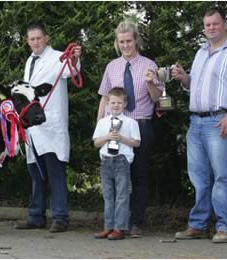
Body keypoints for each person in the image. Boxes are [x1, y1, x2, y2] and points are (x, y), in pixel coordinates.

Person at [172, 8, 227, 243]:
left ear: (225, 24)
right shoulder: (201, 52)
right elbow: (193, 85)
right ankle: (198, 225)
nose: (211, 28)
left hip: (220, 121)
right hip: (195, 121)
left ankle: (226, 227)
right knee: (199, 177)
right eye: (207, 25)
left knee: (222, 177)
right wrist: (184, 78)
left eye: (215, 24)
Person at [96, 19, 163, 238]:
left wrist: (152, 83)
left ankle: (135, 223)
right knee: (115, 179)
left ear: (136, 41)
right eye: (121, 41)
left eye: (129, 41)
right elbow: (104, 98)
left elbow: (158, 99)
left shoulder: (149, 65)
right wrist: (99, 126)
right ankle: (115, 224)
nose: (125, 45)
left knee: (139, 176)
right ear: (117, 43)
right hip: (114, 128)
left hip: (140, 126)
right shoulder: (112, 67)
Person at [15, 23, 82, 232]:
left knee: (55, 171)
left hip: (51, 125)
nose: (35, 42)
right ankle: (36, 215)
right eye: (31, 39)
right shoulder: (29, 61)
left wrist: (75, 58)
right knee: (35, 172)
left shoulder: (58, 57)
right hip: (33, 126)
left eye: (38, 38)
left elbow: (71, 70)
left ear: (46, 38)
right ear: (28, 42)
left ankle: (60, 217)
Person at [93, 88, 141, 240]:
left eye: (119, 103)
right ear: (107, 104)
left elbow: (136, 142)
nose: (116, 105)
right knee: (108, 196)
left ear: (125, 104)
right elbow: (96, 143)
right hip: (106, 160)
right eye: (113, 102)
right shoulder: (102, 123)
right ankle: (108, 226)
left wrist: (122, 139)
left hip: (121, 160)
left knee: (121, 195)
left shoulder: (130, 122)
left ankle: (119, 228)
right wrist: (107, 137)